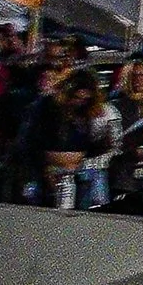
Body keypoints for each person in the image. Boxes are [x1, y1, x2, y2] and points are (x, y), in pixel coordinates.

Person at [23, 68, 111, 207]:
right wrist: (44, 170)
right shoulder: (46, 106)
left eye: (85, 99)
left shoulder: (86, 112)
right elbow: (30, 142)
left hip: (78, 172)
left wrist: (102, 143)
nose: (80, 102)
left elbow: (87, 146)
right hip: (47, 172)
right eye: (76, 98)